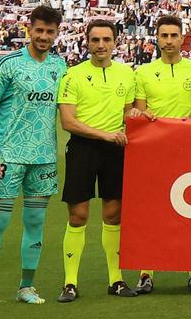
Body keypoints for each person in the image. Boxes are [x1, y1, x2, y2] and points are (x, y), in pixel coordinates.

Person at [0, 4, 66, 312]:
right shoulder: (8, 64)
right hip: (7, 157)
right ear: (29, 29)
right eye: (39, 30)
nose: (44, 36)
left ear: (57, 33)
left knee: (35, 221)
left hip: (44, 158)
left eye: (50, 32)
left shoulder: (60, 66)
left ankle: (27, 285)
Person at [55, 20, 142, 303]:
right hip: (83, 148)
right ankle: (70, 283)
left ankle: (115, 280)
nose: (101, 45)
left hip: (115, 150)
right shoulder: (72, 75)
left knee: (113, 215)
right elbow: (68, 121)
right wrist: (104, 135)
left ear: (116, 42)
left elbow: (131, 114)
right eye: (95, 40)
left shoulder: (127, 74)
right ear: (87, 42)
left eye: (106, 39)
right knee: (77, 215)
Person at [131, 14, 191, 292]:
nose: (169, 40)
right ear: (157, 38)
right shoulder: (143, 73)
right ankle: (146, 272)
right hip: (155, 150)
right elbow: (140, 109)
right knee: (152, 213)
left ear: (182, 38)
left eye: (174, 35)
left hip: (190, 149)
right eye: (164, 35)